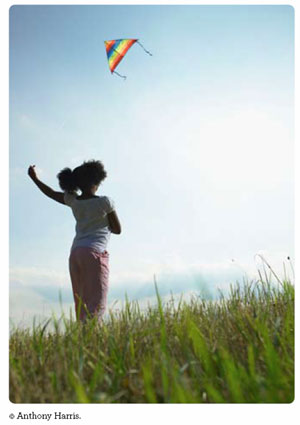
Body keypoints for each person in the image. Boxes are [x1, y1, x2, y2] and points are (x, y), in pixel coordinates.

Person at [28, 160, 121, 322]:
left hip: (75, 254)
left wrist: (35, 179)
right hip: (94, 254)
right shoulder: (105, 202)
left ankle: (82, 337)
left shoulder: (74, 201)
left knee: (82, 300)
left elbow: (50, 193)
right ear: (96, 181)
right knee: (96, 302)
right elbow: (118, 229)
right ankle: (93, 339)